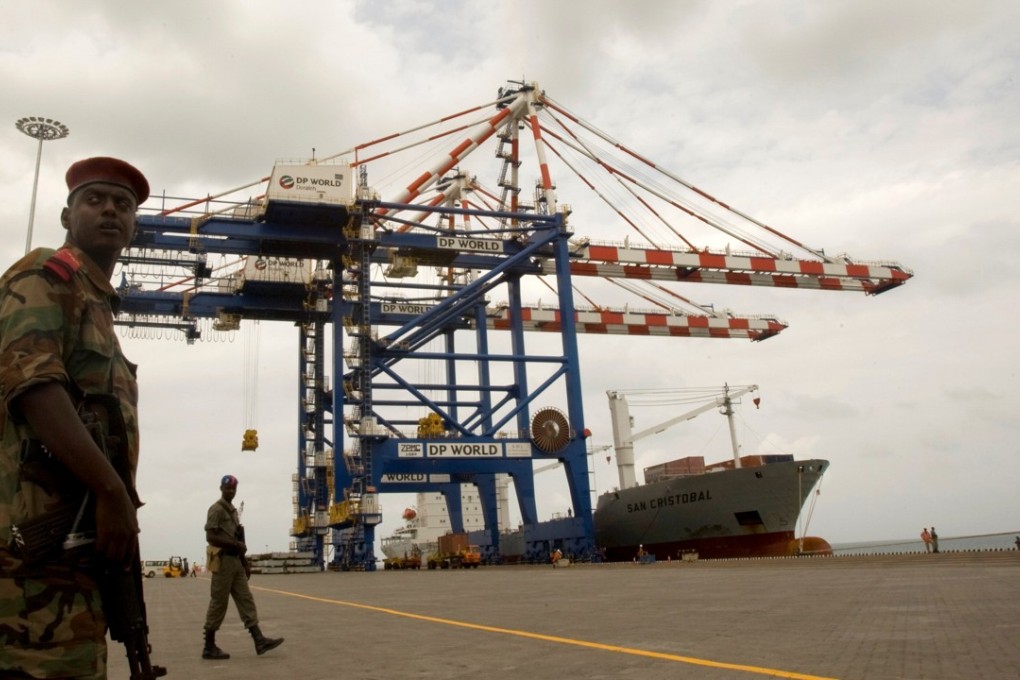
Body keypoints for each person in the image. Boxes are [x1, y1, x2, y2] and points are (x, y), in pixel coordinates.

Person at [0, 157, 149, 679]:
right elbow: (34, 386)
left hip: (75, 546)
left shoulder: (97, 305)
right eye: (95, 200)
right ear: (67, 216)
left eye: (123, 205)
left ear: (134, 227)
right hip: (34, 550)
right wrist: (111, 493)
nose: (110, 210)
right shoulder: (47, 274)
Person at [202, 474, 284, 660]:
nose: (230, 491)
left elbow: (238, 537)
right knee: (219, 603)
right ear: (221, 489)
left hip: (236, 562)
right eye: (227, 488)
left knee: (246, 600)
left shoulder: (232, 511)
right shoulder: (216, 509)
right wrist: (235, 546)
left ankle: (259, 640)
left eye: (233, 489)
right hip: (223, 562)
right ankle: (208, 645)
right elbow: (211, 537)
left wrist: (245, 562)